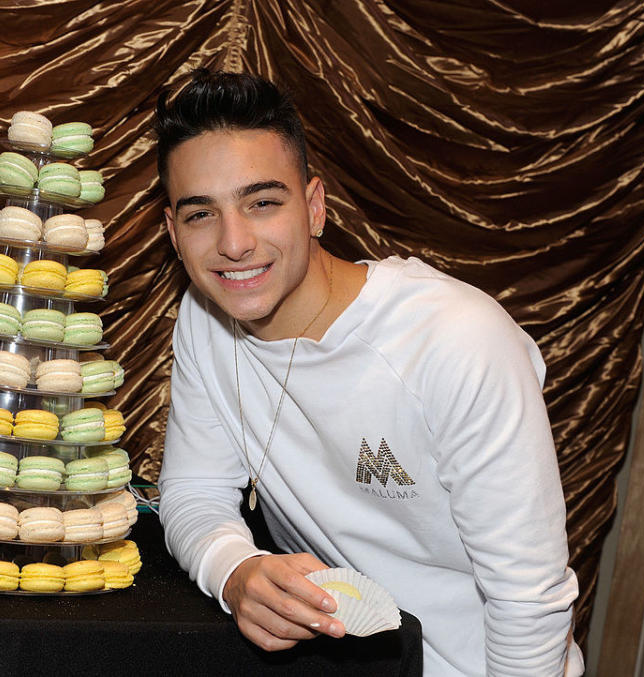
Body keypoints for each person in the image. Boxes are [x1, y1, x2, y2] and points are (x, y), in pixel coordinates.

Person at [155, 69, 583, 676]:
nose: (233, 242)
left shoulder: (455, 340)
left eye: (263, 202)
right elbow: (195, 494)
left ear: (314, 207)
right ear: (173, 233)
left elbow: (529, 600)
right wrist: (235, 570)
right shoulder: (204, 316)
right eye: (201, 214)